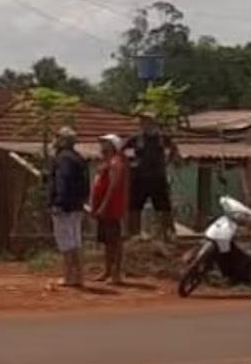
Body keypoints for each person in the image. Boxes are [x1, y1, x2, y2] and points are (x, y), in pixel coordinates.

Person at [123, 113, 180, 240]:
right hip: (139, 178)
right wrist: (129, 163)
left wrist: (169, 161)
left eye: (146, 121)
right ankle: (134, 234)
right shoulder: (136, 138)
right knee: (134, 206)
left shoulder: (162, 137)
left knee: (164, 206)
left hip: (157, 177)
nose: (143, 124)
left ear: (153, 122)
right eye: (142, 121)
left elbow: (174, 149)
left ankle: (168, 233)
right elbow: (121, 149)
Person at [49, 126, 89, 288]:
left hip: (64, 206)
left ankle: (69, 276)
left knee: (66, 241)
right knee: (75, 240)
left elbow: (62, 181)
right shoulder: (78, 157)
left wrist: (59, 202)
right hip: (76, 205)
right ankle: (78, 276)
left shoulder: (63, 158)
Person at [90, 134, 129, 285]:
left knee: (115, 241)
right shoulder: (106, 162)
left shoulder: (116, 163)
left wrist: (103, 206)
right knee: (107, 241)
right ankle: (107, 270)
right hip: (104, 208)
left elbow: (113, 186)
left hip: (111, 208)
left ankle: (116, 273)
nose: (102, 146)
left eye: (105, 143)